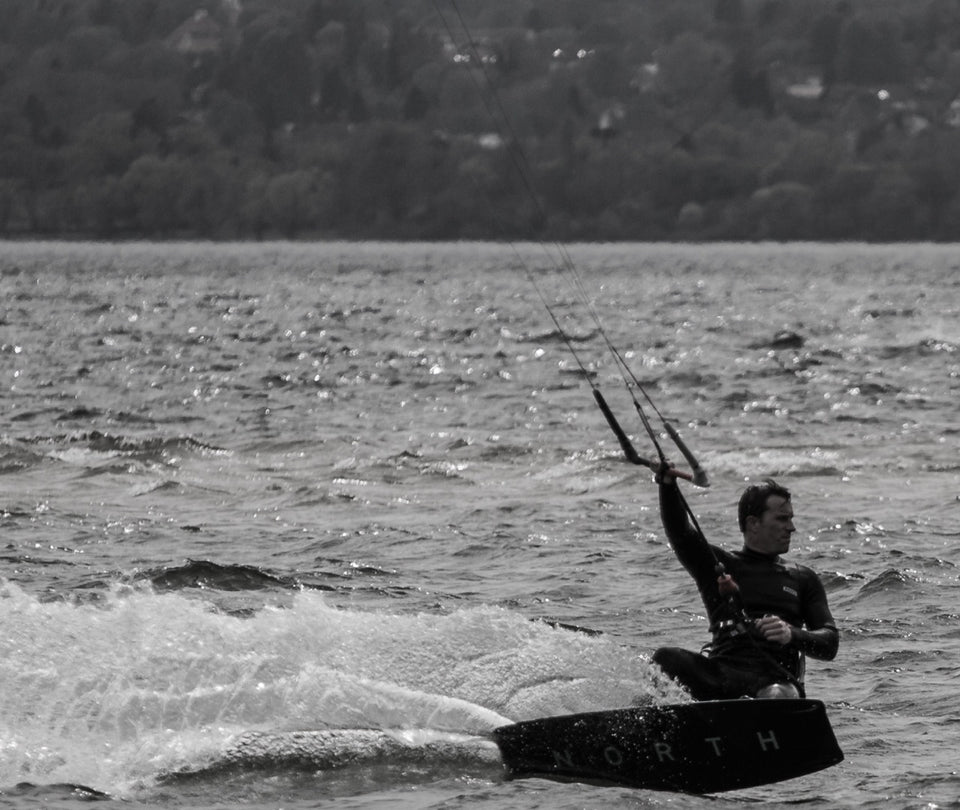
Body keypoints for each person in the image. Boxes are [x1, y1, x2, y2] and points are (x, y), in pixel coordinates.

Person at [652, 468, 838, 700]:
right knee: (665, 659)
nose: (791, 527)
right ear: (753, 523)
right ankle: (643, 729)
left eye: (791, 519)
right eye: (782, 518)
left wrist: (792, 634)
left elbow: (830, 642)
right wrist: (667, 485)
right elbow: (681, 533)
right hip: (721, 673)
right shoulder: (719, 565)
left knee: (779, 695)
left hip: (774, 679)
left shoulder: (802, 578)